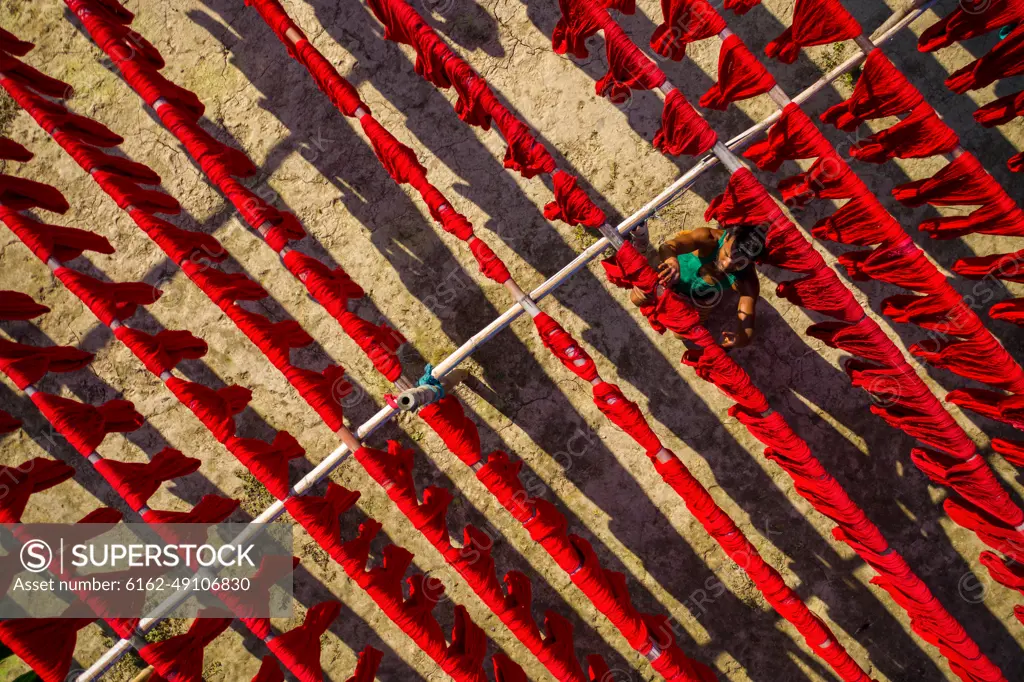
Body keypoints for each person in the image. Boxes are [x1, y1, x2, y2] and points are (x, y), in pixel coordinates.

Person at [633, 223, 765, 348]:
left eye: (737, 264)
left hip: (695, 297)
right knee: (637, 298)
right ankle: (642, 241)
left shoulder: (747, 280)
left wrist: (739, 339)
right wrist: (672, 261)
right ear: (727, 238)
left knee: (681, 334)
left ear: (749, 263)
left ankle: (702, 310)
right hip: (669, 276)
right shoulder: (707, 237)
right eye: (726, 255)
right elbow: (668, 246)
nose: (725, 265)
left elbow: (747, 329)